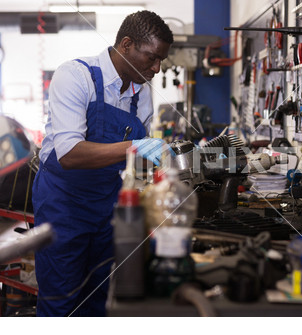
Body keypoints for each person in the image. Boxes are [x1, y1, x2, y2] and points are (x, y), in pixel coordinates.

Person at [32, 10, 174, 317]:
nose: (157, 68)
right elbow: (68, 154)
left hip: (106, 206)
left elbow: (137, 164)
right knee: (61, 299)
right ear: (126, 44)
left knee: (100, 297)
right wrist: (136, 147)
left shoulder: (143, 94)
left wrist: (161, 178)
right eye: (151, 58)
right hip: (63, 204)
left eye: (161, 60)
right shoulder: (75, 76)